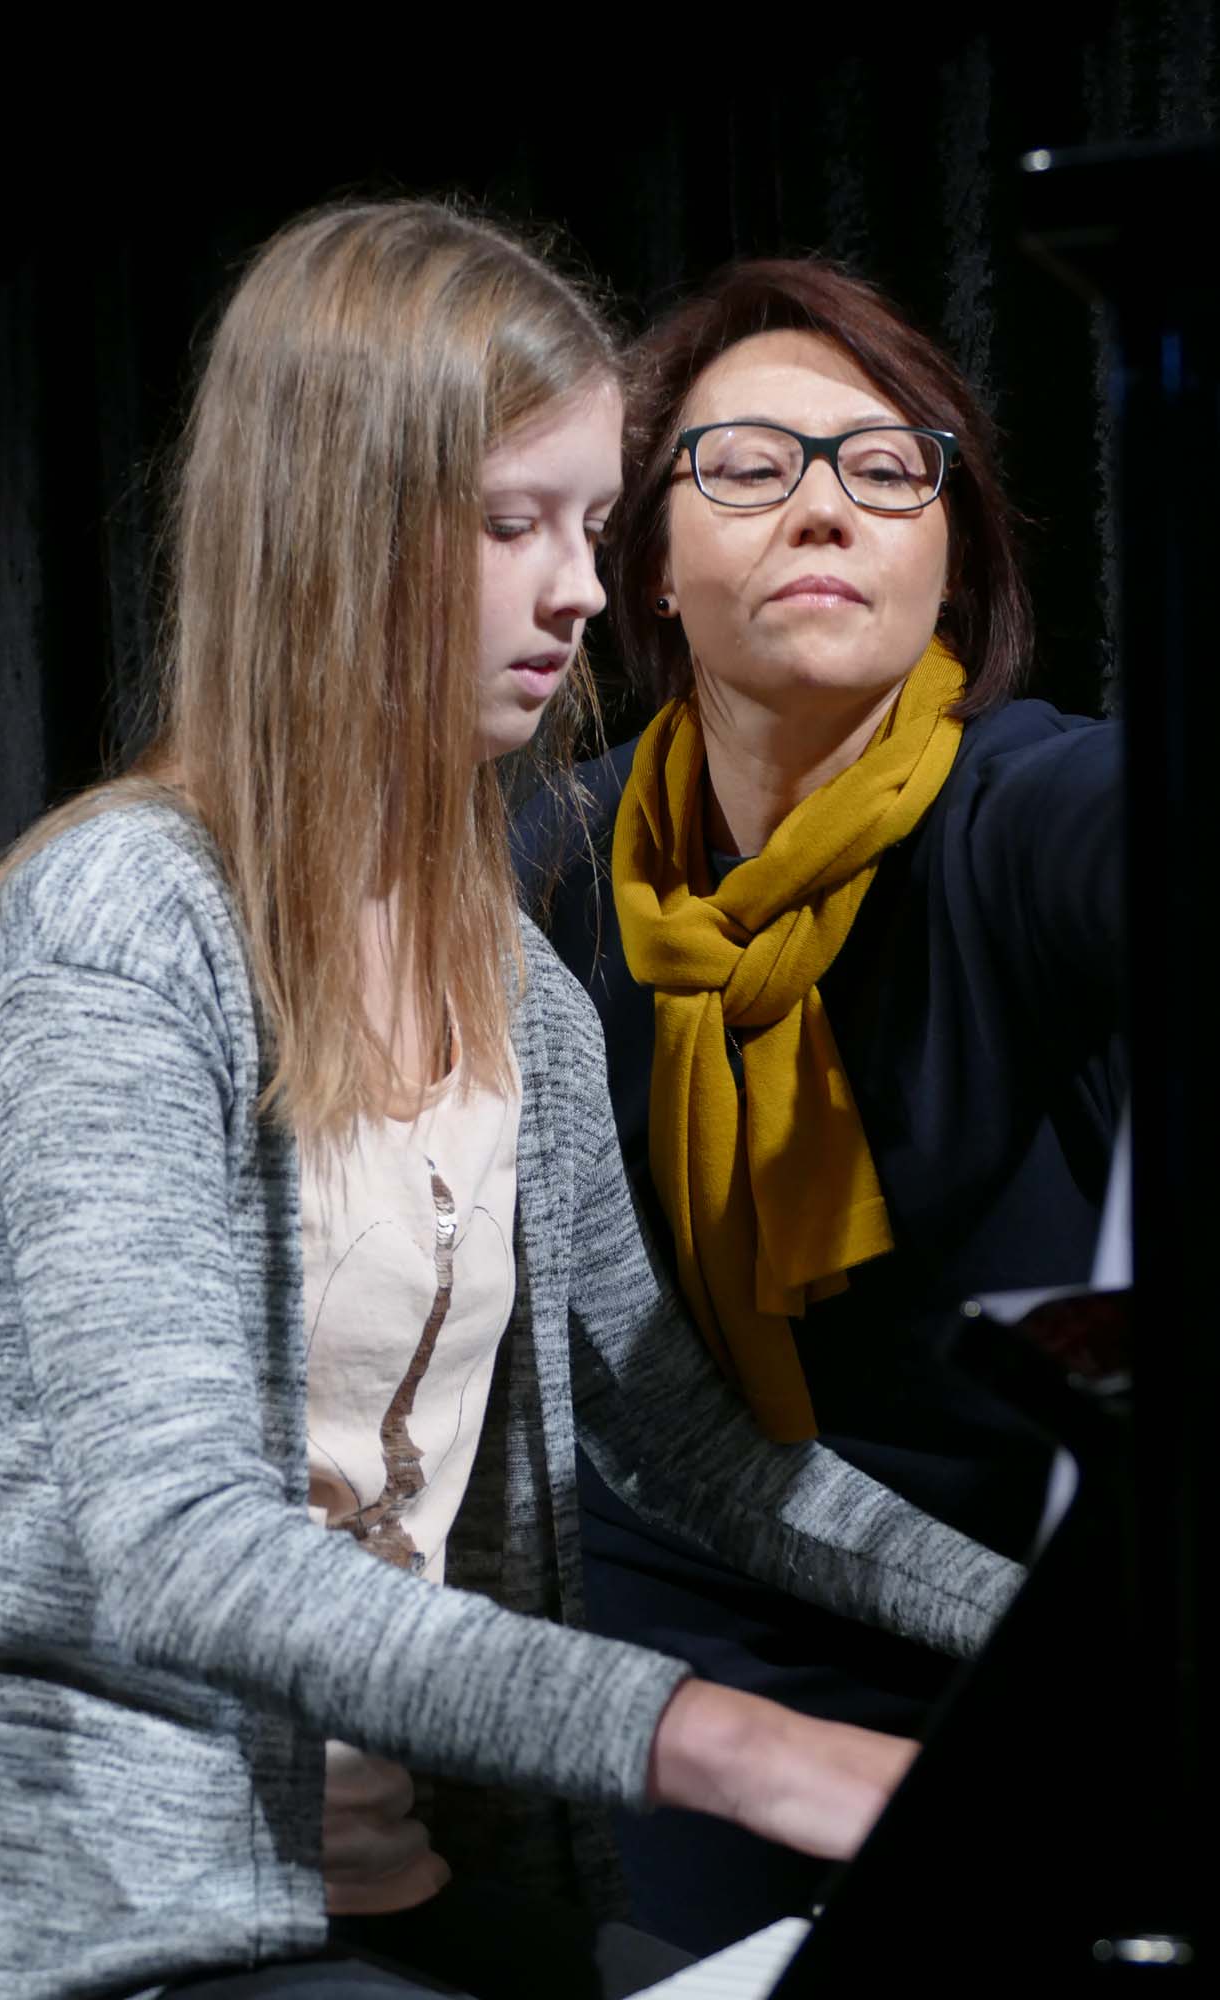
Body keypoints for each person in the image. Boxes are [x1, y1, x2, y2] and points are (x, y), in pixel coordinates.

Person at [0, 206, 1021, 2000]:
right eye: (511, 526)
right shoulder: (124, 928)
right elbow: (182, 1552)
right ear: (331, 528)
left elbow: (687, 1444)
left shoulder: (508, 978)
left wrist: (1056, 1641)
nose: (579, 591)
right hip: (95, 1912)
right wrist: (743, 1747)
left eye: (588, 524)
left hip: (384, 1882)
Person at [516, 255, 1123, 1953]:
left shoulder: (1022, 809)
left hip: (1043, 1619)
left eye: (884, 466)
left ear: (950, 547)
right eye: (745, 466)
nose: (824, 508)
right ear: (642, 557)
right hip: (695, 1614)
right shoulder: (543, 867)